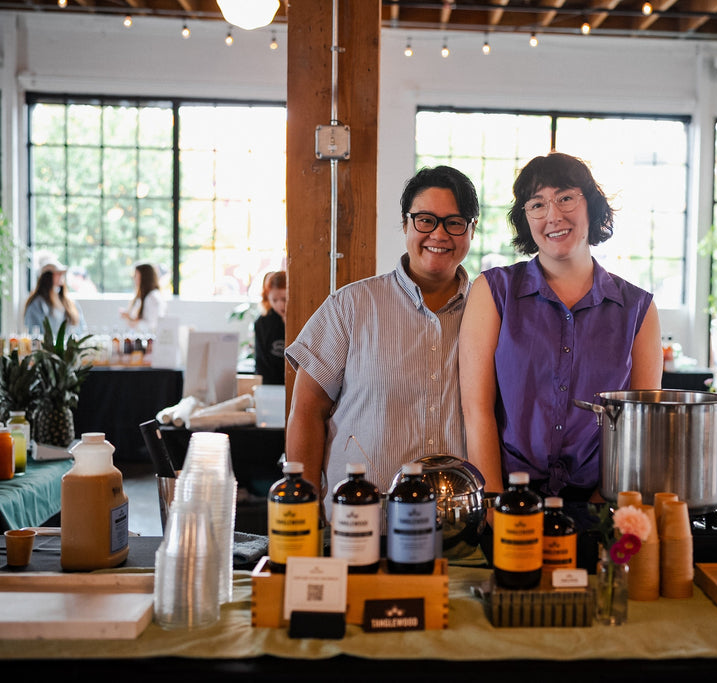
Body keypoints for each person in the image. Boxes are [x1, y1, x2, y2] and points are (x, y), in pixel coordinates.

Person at [459, 152, 662, 529]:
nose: (553, 215)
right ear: (526, 218)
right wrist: (495, 505)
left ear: (592, 205)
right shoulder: (493, 291)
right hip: (507, 500)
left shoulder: (638, 309)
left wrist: (604, 507)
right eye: (537, 204)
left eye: (566, 197)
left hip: (601, 504)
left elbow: (641, 427)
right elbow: (477, 411)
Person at [284, 166, 479, 507]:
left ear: (471, 230)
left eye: (455, 222)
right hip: (359, 519)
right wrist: (305, 506)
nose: (439, 234)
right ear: (406, 224)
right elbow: (306, 410)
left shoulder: (489, 312)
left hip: (458, 526)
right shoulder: (352, 305)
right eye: (425, 220)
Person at [23, 254, 86, 336]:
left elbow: (81, 327)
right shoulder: (37, 304)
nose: (61, 276)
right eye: (57, 273)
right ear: (47, 277)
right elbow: (35, 331)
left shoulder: (69, 302)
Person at [254, 270, 287, 385]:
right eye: (275, 300)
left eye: (284, 299)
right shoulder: (262, 323)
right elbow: (261, 362)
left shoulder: (302, 320)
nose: (280, 305)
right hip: (271, 385)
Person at [120, 262, 167, 332]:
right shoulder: (144, 296)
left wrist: (132, 321)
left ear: (144, 277)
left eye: (136, 275)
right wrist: (130, 318)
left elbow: (152, 325)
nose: (133, 278)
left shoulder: (152, 297)